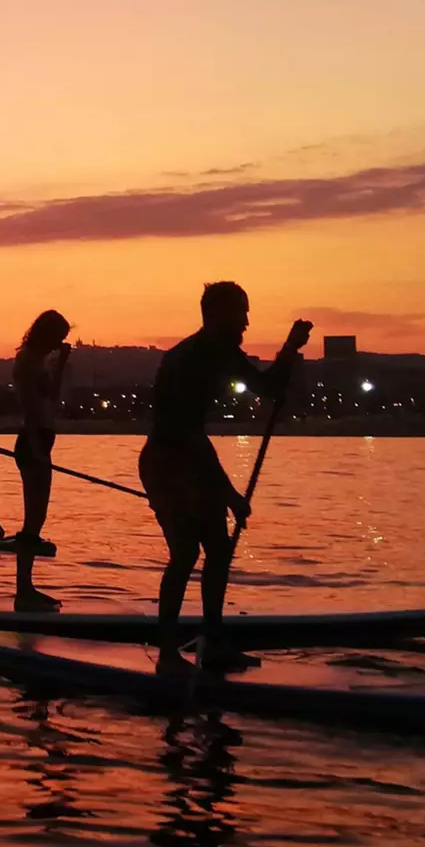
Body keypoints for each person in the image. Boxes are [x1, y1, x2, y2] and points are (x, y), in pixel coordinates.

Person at [140, 282, 311, 673]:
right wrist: (229, 493)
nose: (247, 323)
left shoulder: (224, 353)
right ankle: (168, 654)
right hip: (168, 461)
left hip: (192, 455)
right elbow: (185, 436)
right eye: (241, 314)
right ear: (218, 315)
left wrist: (291, 348)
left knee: (218, 549)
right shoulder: (189, 358)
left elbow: (267, 387)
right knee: (185, 554)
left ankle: (213, 641)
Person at [12, 309, 72, 610]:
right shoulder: (26, 361)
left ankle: (27, 587)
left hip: (43, 440)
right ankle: (23, 590)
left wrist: (61, 364)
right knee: (32, 519)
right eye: (57, 339)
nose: (57, 344)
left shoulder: (40, 362)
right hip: (33, 440)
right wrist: (37, 447)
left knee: (38, 517)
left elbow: (52, 400)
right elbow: (29, 404)